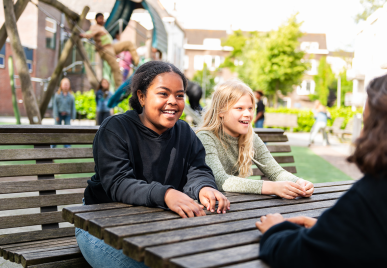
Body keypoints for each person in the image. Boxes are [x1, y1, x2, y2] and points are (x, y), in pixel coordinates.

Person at [76, 61, 230, 268]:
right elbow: (119, 183)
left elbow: (198, 169)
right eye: (163, 94)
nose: (173, 101)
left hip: (153, 222)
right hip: (98, 223)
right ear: (141, 97)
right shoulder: (115, 129)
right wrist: (166, 194)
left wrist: (204, 187)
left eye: (179, 95)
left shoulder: (185, 133)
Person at [256, 74, 387, 268]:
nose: (360, 134)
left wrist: (275, 230)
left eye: (366, 123)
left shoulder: (370, 196)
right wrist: (332, 230)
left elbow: (299, 255)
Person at [196, 80, 314, 199]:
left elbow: (276, 172)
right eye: (239, 108)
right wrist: (273, 187)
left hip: (232, 203)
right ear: (221, 111)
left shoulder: (250, 137)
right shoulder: (205, 137)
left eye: (250, 108)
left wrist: (299, 182)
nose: (248, 114)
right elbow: (221, 180)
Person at [79, 13, 139, 89]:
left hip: (111, 46)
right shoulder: (95, 27)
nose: (102, 20)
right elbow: (89, 33)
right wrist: (83, 35)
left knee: (129, 44)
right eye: (100, 18)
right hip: (105, 49)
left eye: (103, 18)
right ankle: (118, 88)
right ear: (96, 19)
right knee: (116, 68)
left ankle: (137, 62)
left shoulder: (102, 27)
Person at [52, 78, 76, 148]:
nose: (66, 86)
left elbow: (73, 107)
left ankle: (67, 145)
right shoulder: (57, 95)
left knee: (67, 130)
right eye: (64, 84)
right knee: (56, 130)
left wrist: (73, 116)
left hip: (67, 115)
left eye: (67, 84)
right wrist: (56, 115)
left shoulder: (71, 96)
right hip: (59, 115)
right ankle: (53, 145)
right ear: (61, 86)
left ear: (69, 86)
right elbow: (55, 106)